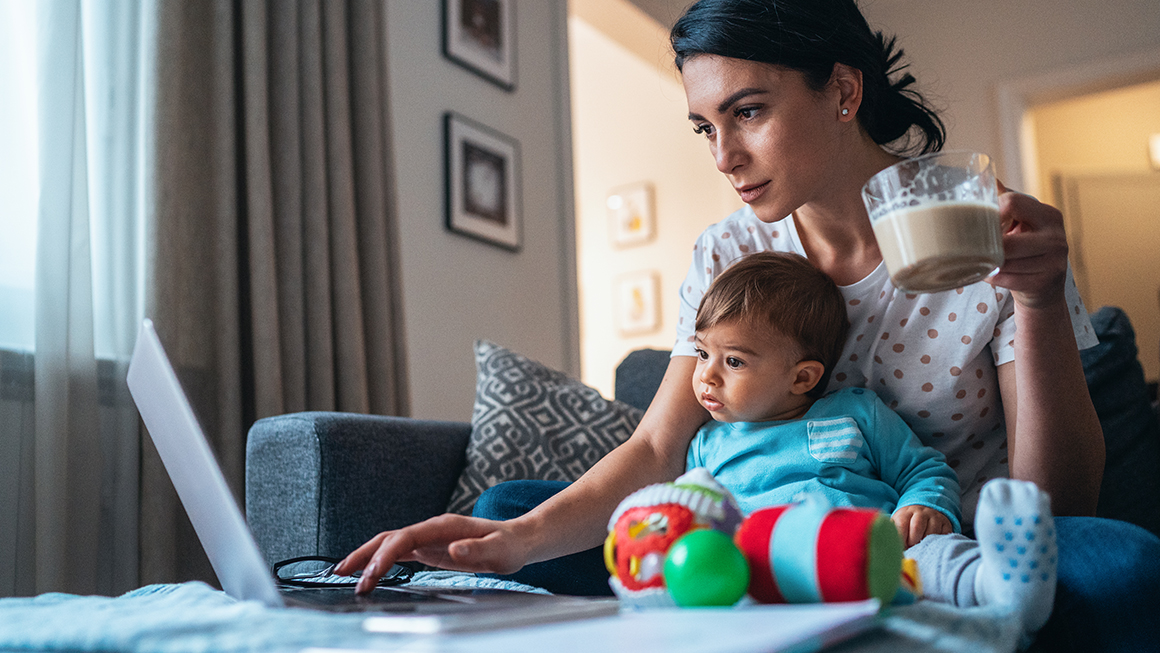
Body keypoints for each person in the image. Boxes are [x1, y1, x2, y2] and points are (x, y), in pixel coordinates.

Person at [337, 1, 1160, 649]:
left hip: (943, 552)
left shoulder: (987, 226)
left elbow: (1057, 502)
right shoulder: (730, 250)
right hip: (756, 537)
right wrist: (511, 538)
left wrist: (1042, 300)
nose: (722, 154)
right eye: (705, 125)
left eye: (748, 112)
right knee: (515, 505)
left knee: (1121, 562)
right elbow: (659, 450)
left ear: (842, 91)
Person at [681, 251, 1054, 642]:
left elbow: (922, 469)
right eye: (703, 353)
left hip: (879, 553)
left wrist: (924, 506)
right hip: (775, 572)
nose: (707, 375)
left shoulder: (855, 412)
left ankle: (1001, 587)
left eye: (734, 362)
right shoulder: (707, 446)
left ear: (803, 377)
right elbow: (697, 514)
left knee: (933, 557)